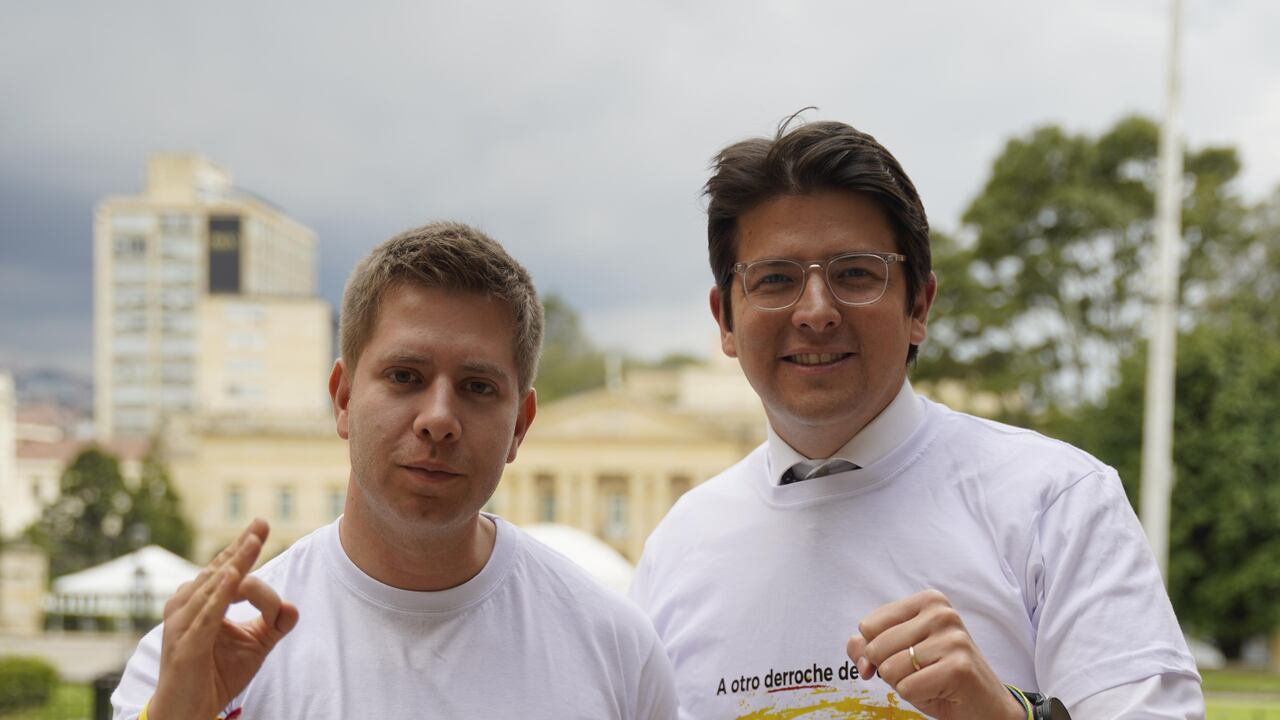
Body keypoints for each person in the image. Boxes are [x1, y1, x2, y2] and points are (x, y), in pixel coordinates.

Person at [629, 117, 1204, 719]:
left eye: (855, 273)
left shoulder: (1053, 502)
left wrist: (1004, 715)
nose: (816, 311)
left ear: (919, 305)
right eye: (775, 279)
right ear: (725, 319)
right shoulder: (681, 547)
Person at [113, 222, 678, 719]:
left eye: (477, 388)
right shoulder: (199, 659)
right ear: (342, 398)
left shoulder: (617, 648)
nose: (439, 420)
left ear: (520, 428)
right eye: (405, 376)